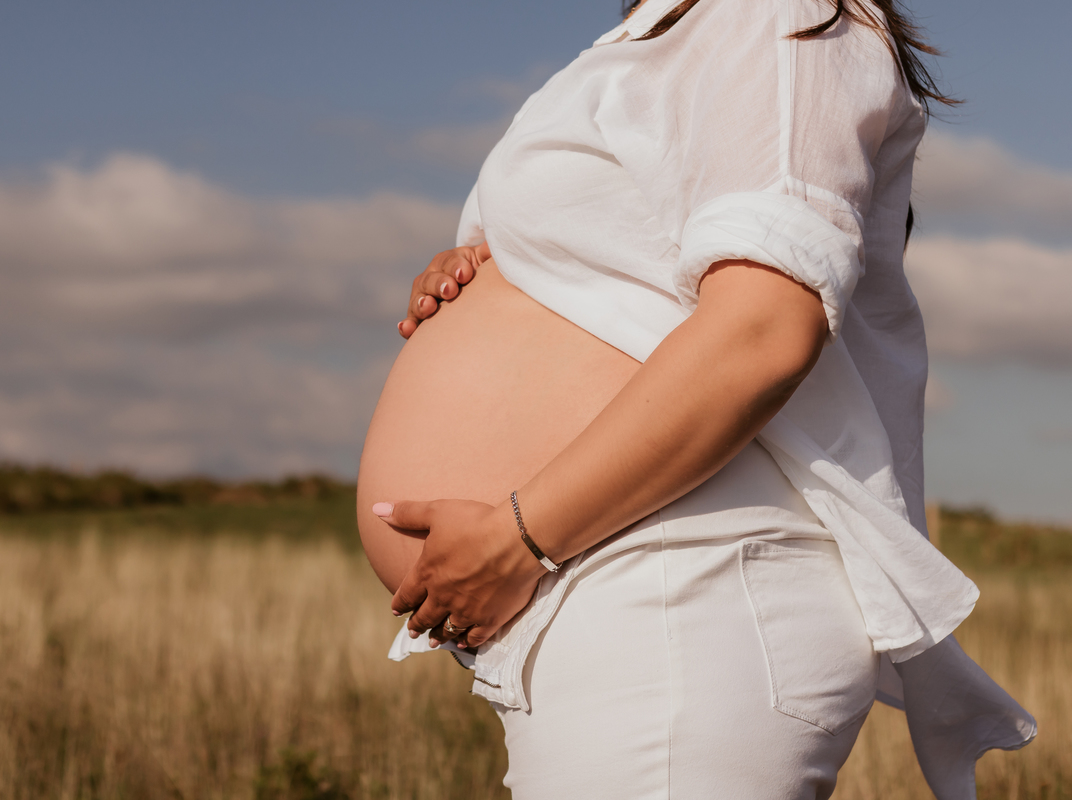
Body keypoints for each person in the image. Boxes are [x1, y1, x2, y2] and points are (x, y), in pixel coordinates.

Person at [356, 0, 1036, 797]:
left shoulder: (778, 13)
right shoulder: (663, 38)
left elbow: (765, 329)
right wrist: (489, 268)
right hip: (633, 600)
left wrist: (520, 540)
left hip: (680, 598)